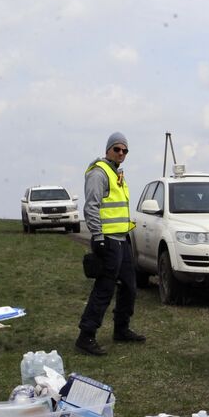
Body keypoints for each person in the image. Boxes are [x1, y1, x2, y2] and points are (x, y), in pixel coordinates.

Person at [76, 132, 146, 356]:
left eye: (125, 150)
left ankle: (121, 329)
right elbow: (91, 207)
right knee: (104, 289)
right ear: (108, 149)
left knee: (129, 287)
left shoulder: (117, 173)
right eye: (117, 149)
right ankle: (86, 336)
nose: (121, 153)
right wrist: (97, 237)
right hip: (107, 241)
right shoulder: (99, 173)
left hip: (122, 240)